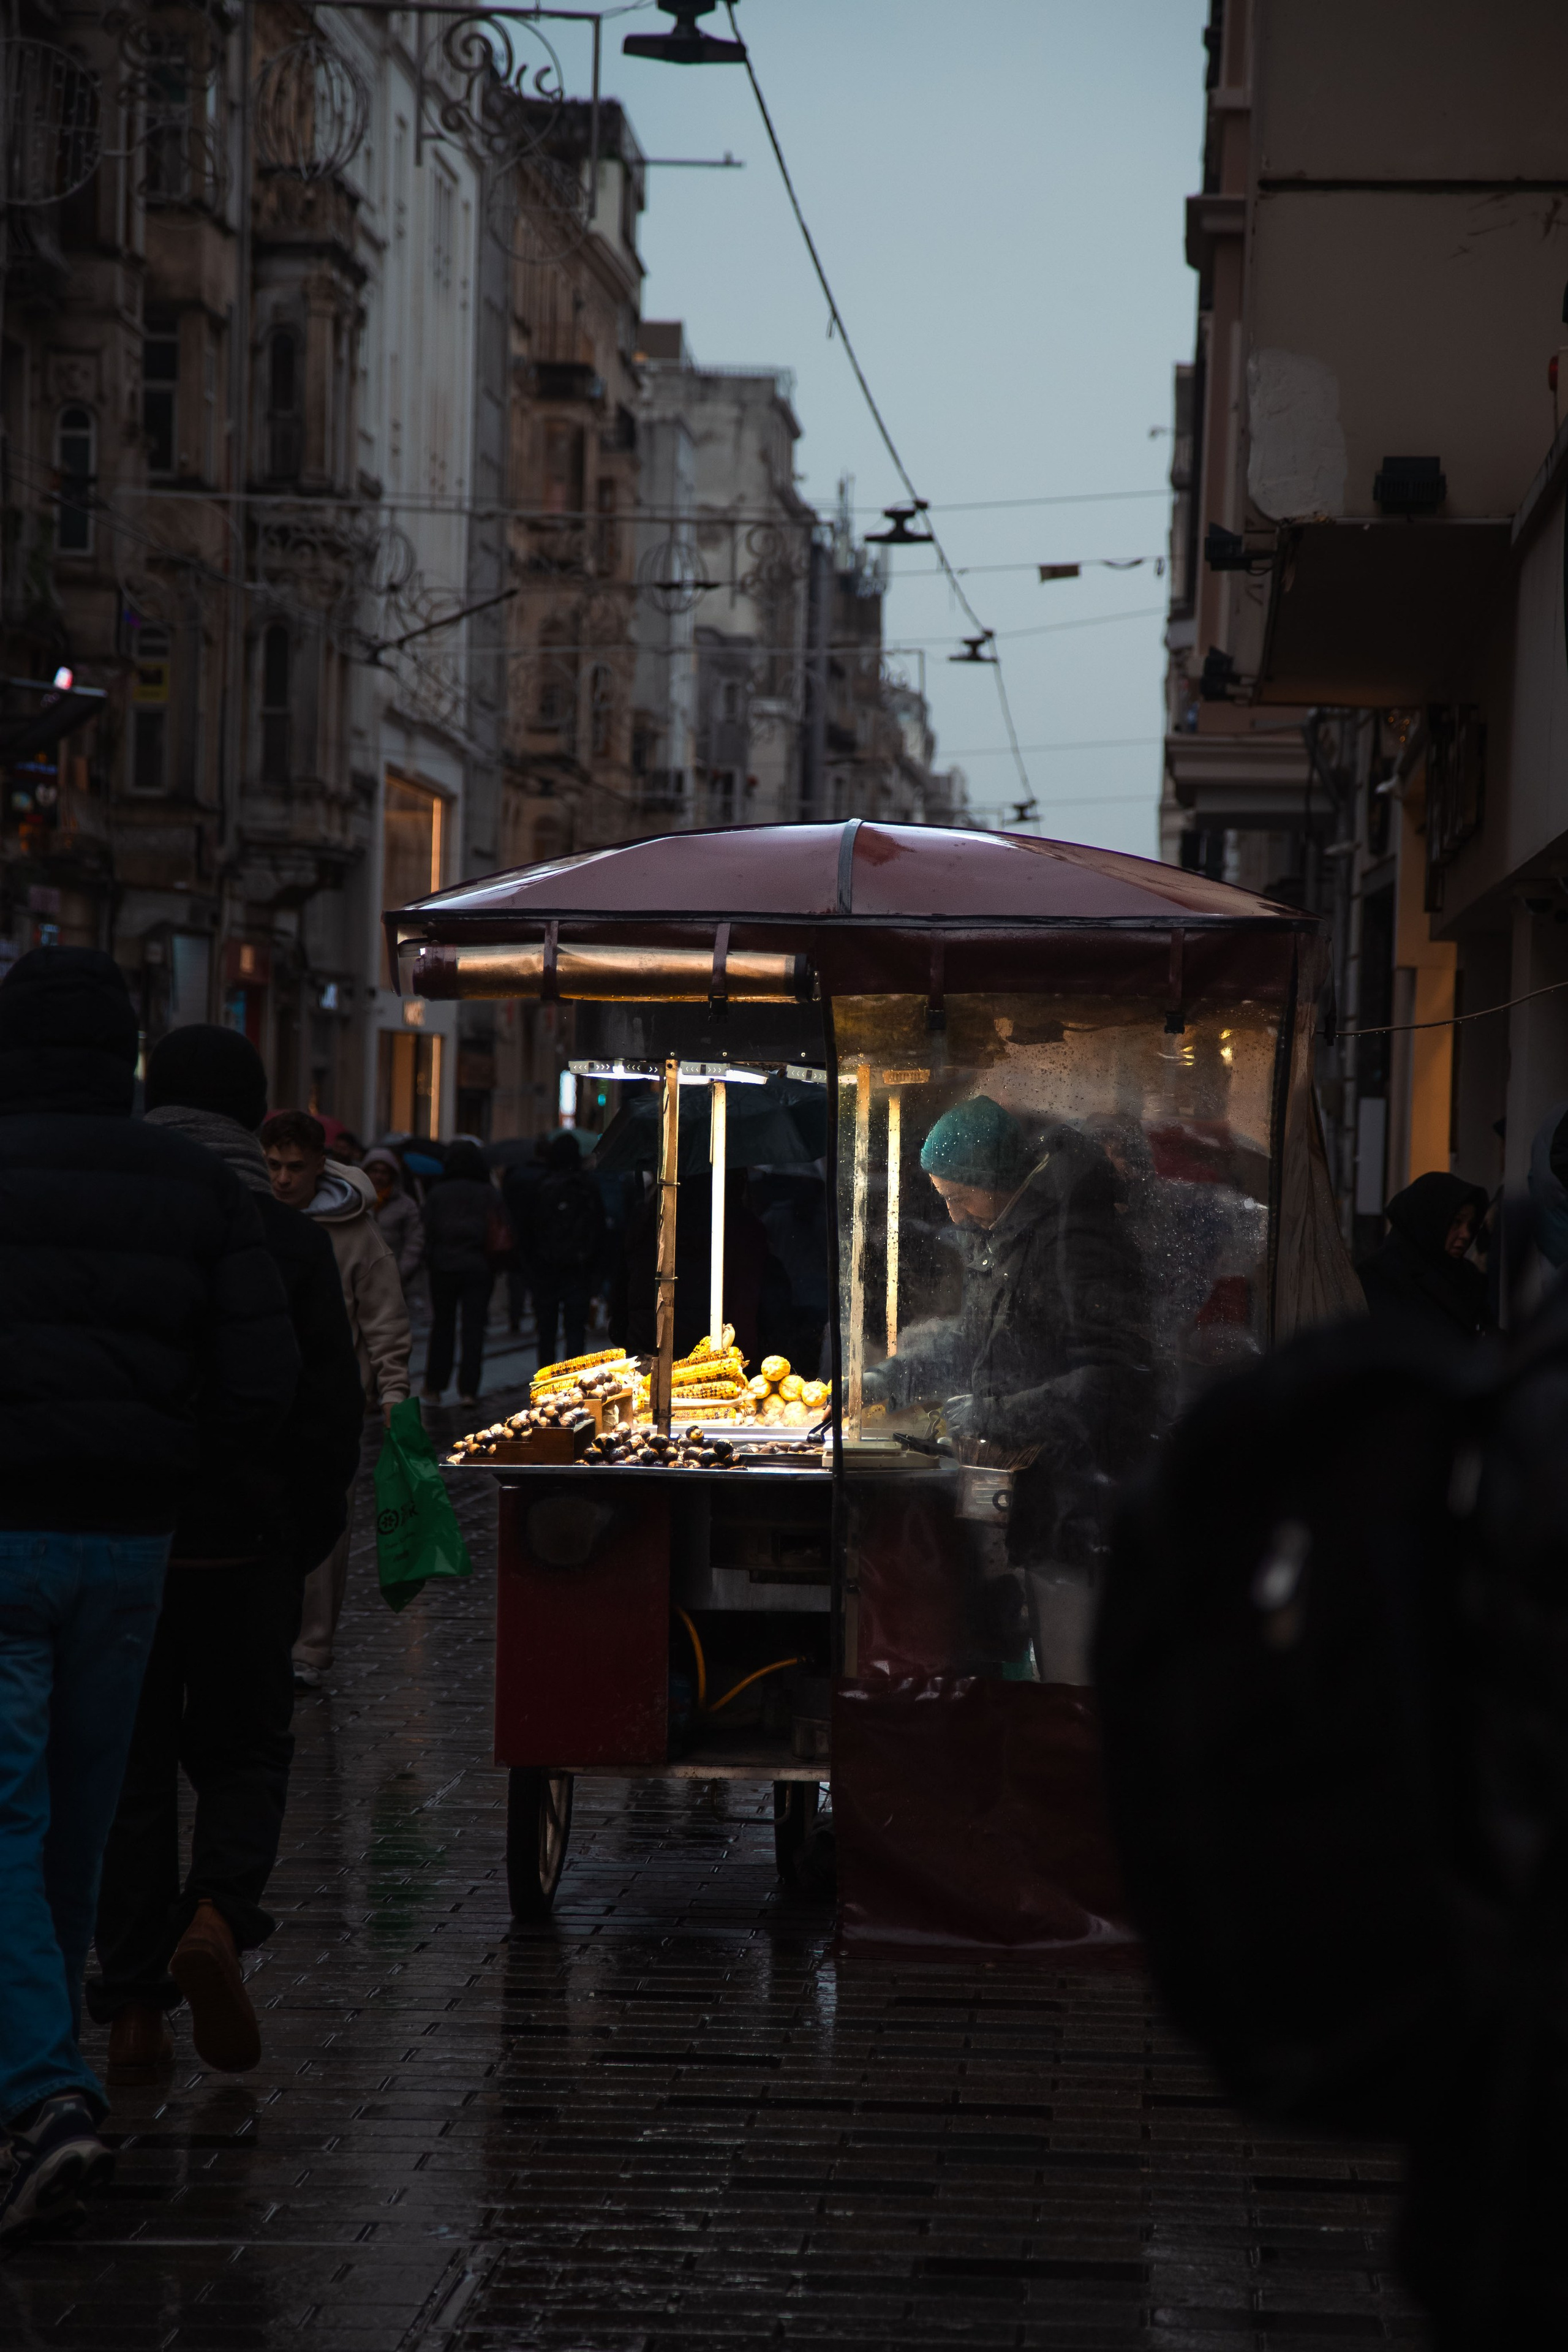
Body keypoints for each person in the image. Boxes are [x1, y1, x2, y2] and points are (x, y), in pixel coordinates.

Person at [0, 949, 296, 2244]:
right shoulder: (197, 1186)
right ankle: (41, 2073)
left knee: (9, 1817)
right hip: (131, 1544)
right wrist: (186, 1480)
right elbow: (262, 1382)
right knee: (70, 1818)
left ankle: (41, 2093)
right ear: (119, 1057)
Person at [90, 1028, 363, 2083]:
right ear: (252, 1121)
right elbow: (327, 1409)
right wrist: (301, 1536)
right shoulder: (288, 1242)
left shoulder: (116, 1225)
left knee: (131, 1774)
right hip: (247, 1550)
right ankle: (216, 1913)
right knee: (247, 1750)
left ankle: (131, 2008)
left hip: (130, 1541)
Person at [882, 1095, 1152, 1679]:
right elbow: (979, 1337)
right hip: (1025, 1491)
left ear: (998, 1180)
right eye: (944, 1200)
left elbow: (1112, 1381)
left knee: (1071, 1672)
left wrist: (994, 1415)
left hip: (1079, 1500)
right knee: (1017, 1647)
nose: (954, 1216)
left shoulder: (1072, 1245)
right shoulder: (1003, 1233)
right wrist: (894, 1375)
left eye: (961, 1196)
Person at [260, 1111, 412, 1689]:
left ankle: (311, 1647)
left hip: (330, 1405)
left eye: (295, 1167)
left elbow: (384, 1318)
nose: (283, 1178)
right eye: (274, 1165)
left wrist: (393, 1392)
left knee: (325, 1528)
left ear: (320, 1166)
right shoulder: (254, 1215)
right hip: (265, 1401)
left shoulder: (355, 1233)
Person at [1358, 1171, 1493, 1341]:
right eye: (1456, 1222)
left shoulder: (1470, 1278)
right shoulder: (1378, 1277)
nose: (1466, 1235)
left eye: (1471, 1225)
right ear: (1430, 1218)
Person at [420, 1138, 505, 1403]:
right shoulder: (488, 1192)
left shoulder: (438, 1192)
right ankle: (469, 1389)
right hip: (478, 1266)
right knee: (474, 1328)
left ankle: (435, 1385)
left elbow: (427, 1230)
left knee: (442, 1325)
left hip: (444, 1266)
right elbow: (501, 1226)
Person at [363, 1145, 424, 1297]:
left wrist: (401, 1272)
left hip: (393, 1280)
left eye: (384, 1172)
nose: (378, 1176)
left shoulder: (406, 1205)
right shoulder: (356, 1201)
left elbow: (415, 1240)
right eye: (374, 1171)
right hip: (359, 1280)